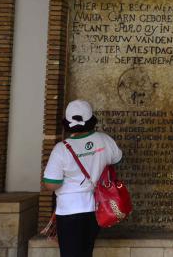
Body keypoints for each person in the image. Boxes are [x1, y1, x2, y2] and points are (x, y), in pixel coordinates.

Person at [43, 99, 122, 257]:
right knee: (86, 252)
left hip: (69, 211)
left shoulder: (61, 149)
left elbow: (51, 184)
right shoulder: (104, 140)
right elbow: (117, 158)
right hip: (94, 209)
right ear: (91, 119)